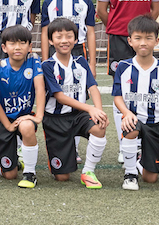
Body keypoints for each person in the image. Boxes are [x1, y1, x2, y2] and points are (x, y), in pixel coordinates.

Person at [96, 0, 159, 161]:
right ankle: (126, 145)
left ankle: (141, 141)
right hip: (119, 40)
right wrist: (117, 27)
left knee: (142, 90)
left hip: (143, 41)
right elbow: (102, 10)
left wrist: (142, 33)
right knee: (121, 90)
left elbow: (155, 9)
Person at [41, 18, 108, 190]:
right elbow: (60, 97)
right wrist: (90, 108)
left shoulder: (81, 62)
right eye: (59, 37)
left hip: (78, 115)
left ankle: (88, 171)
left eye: (69, 36)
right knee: (62, 177)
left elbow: (92, 87)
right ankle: (61, 160)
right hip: (55, 119)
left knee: (99, 126)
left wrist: (98, 112)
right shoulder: (47, 66)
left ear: (76, 39)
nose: (64, 40)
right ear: (50, 40)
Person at [112, 15, 159, 190]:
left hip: (156, 125)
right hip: (134, 120)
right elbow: (117, 96)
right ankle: (130, 174)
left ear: (157, 40)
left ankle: (138, 159)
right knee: (131, 126)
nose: (143, 43)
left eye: (148, 38)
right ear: (130, 41)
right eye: (138, 38)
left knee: (151, 178)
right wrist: (126, 113)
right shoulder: (124, 67)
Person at [0, 25, 45, 188]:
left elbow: (40, 88)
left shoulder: (33, 61)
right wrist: (7, 125)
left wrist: (37, 116)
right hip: (4, 119)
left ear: (30, 46)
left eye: (22, 43)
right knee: (9, 175)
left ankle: (30, 173)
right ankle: (13, 161)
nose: (17, 47)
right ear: (4, 47)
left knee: (27, 126)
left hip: (25, 116)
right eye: (12, 43)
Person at [40, 0, 96, 74]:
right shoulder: (49, 2)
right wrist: (45, 61)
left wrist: (92, 64)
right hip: (54, 50)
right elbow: (45, 33)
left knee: (80, 87)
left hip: (78, 49)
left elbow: (90, 33)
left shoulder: (85, 1)